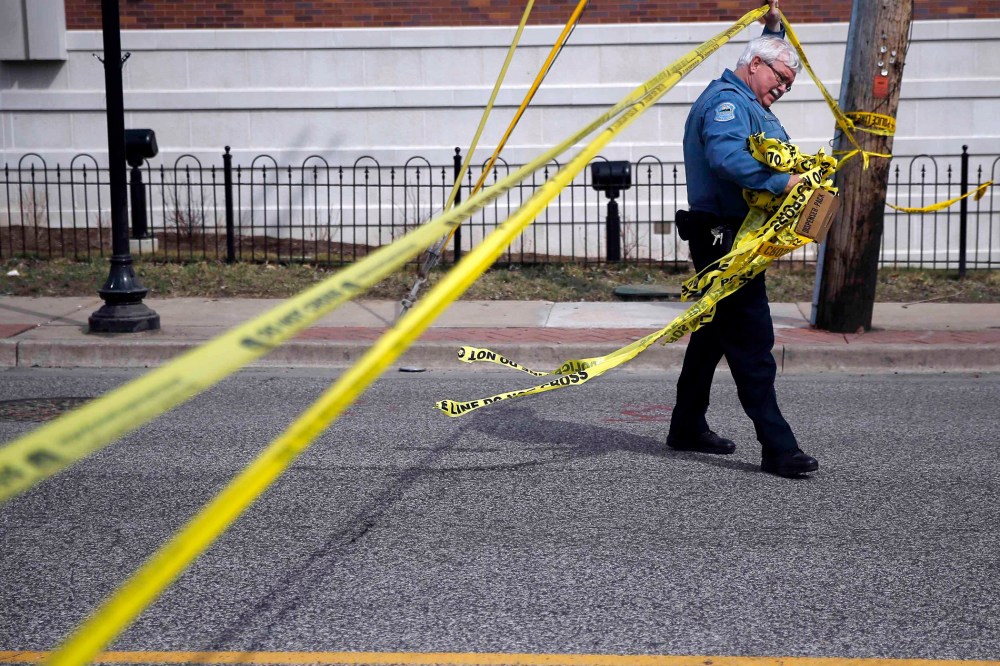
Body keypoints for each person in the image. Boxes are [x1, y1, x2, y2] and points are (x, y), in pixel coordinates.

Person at [666, 0, 819, 478]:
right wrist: (783, 184)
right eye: (781, 78)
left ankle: (686, 425)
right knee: (752, 338)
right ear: (754, 66)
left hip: (734, 234)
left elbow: (771, 54)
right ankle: (778, 447)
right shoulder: (728, 103)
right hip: (722, 238)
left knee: (713, 333)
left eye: (790, 84)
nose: (784, 88)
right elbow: (729, 161)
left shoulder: (748, 96)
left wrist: (773, 27)